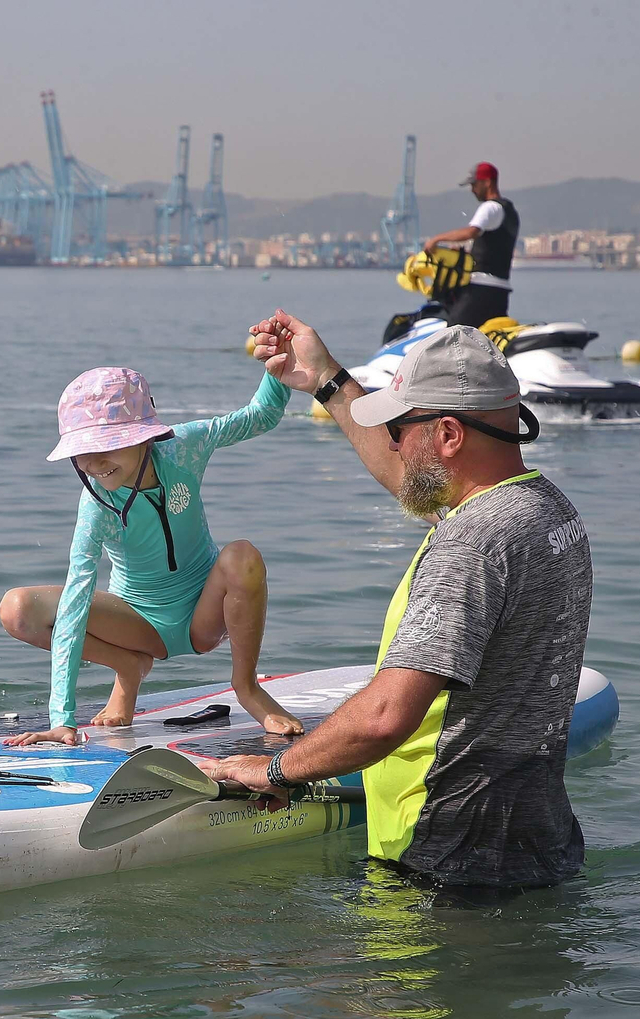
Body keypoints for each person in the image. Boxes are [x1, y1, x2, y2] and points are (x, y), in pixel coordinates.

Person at [207, 313, 593, 890]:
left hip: (447, 856)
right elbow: (409, 475)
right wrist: (325, 380)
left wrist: (276, 770)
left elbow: (386, 717)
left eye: (399, 427)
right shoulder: (545, 511)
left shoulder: (471, 542)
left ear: (449, 436)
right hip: (535, 839)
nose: (390, 441)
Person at [0, 364, 304, 747]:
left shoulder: (185, 449)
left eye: (105, 446)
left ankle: (246, 687)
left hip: (203, 617)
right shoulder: (96, 508)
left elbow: (259, 416)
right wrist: (62, 718)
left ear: (143, 437)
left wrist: (277, 368)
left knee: (242, 556)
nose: (93, 464)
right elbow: (76, 600)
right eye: (82, 452)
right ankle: (127, 666)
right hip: (137, 625)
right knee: (17, 609)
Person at [421, 162, 518, 328]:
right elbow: (494, 247)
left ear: (487, 182)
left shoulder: (490, 208)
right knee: (487, 339)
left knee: (453, 334)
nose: (472, 190)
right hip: (501, 291)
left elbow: (471, 232)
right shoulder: (510, 212)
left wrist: (436, 239)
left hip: (480, 290)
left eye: (474, 184)